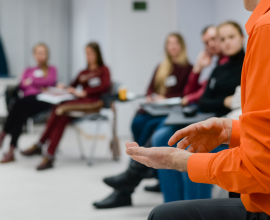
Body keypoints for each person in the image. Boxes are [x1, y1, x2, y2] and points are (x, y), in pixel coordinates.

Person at [126, 0, 270, 219]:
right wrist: (232, 130)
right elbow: (201, 97)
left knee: (163, 212)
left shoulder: (264, 30)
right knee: (158, 132)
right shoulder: (217, 65)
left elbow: (260, 167)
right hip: (213, 116)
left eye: (226, 38)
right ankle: (139, 182)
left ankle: (131, 179)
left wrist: (179, 161)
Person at [93, 26, 225, 209]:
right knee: (139, 122)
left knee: (156, 132)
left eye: (216, 39)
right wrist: (152, 98)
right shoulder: (167, 66)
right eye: (207, 42)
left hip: (187, 112)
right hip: (170, 109)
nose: (212, 44)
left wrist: (194, 72)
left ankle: (133, 176)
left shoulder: (192, 67)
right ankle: (142, 173)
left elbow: (191, 96)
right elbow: (190, 93)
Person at [152, 21, 245, 203]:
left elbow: (228, 103)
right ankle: (173, 206)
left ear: (242, 37)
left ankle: (192, 209)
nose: (226, 43)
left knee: (191, 152)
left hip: (228, 127)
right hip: (208, 117)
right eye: (222, 39)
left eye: (231, 37)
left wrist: (218, 103)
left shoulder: (247, 64)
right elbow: (204, 102)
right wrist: (223, 101)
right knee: (161, 137)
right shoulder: (219, 68)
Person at [21, 42, 111, 171]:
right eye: (86, 53)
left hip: (94, 103)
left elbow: (105, 87)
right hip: (79, 102)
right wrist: (65, 88)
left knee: (60, 109)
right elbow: (72, 85)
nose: (88, 56)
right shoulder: (83, 72)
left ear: (97, 54)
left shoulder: (103, 70)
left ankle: (40, 144)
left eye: (90, 53)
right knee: (61, 116)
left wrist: (85, 92)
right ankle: (49, 156)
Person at [0, 43, 57, 163]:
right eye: (38, 53)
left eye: (43, 53)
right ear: (34, 55)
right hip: (26, 102)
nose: (40, 56)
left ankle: (3, 135)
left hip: (42, 101)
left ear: (47, 55)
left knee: (18, 107)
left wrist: (32, 81)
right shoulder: (29, 69)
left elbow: (50, 81)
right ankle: (11, 150)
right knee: (20, 115)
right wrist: (40, 83)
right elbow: (22, 85)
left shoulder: (51, 69)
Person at [131, 33, 192, 148]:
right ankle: (138, 154)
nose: (172, 46)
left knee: (149, 126)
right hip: (156, 107)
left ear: (181, 46)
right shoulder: (161, 66)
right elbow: (150, 88)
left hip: (171, 109)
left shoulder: (188, 68)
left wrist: (166, 99)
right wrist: (150, 96)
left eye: (176, 43)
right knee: (137, 122)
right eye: (169, 43)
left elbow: (186, 94)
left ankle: (141, 159)